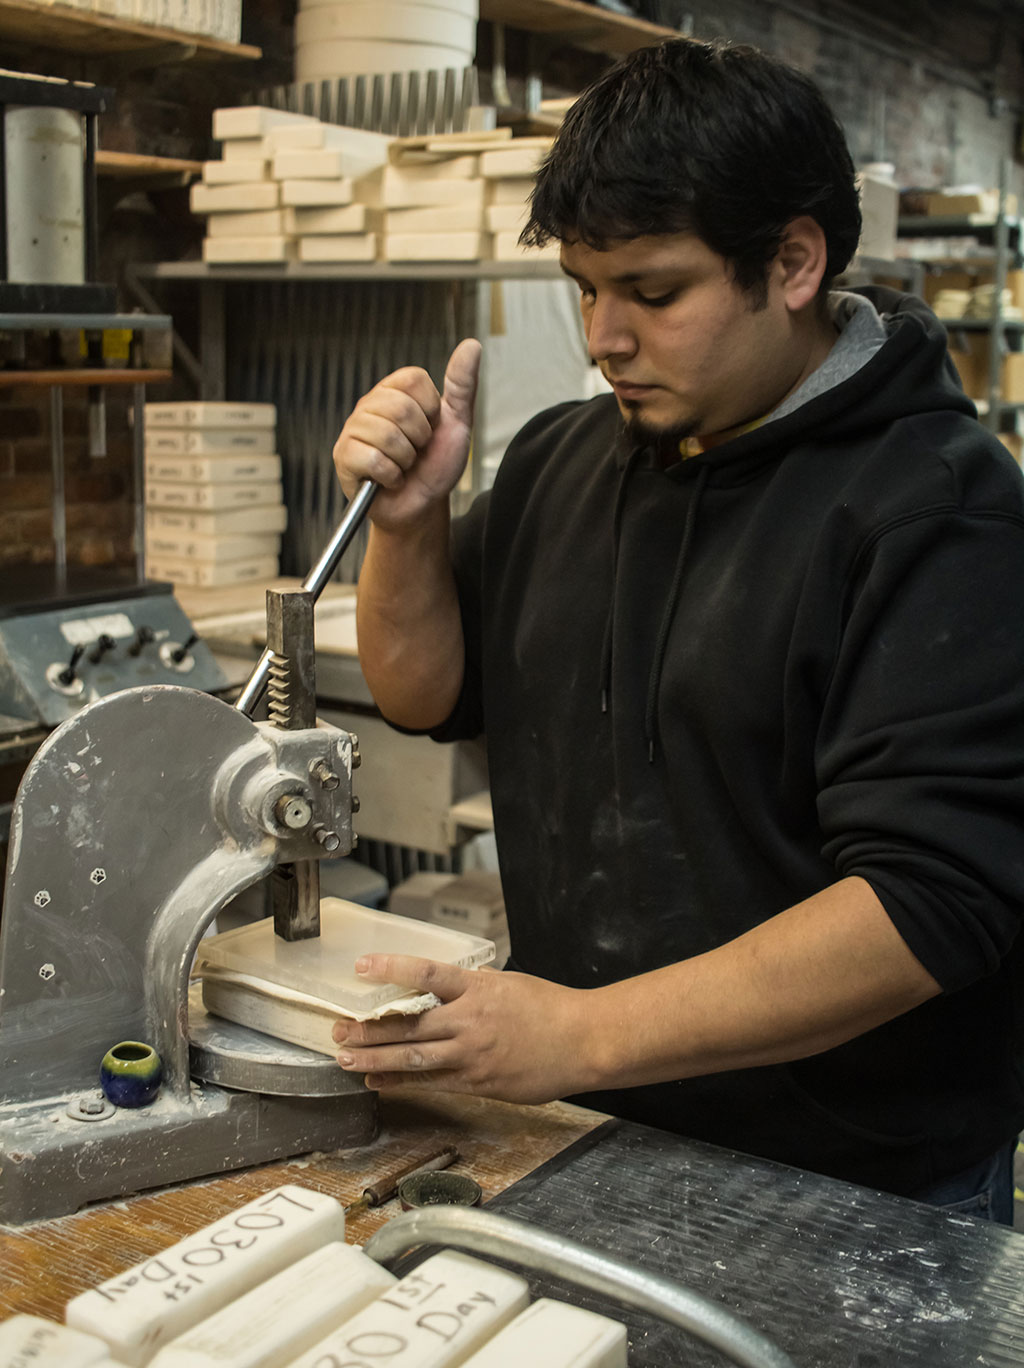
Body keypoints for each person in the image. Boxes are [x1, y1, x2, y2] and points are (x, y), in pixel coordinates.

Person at [331, 38, 1024, 1222]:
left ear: (793, 261)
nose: (604, 335)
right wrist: (407, 521)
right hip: (595, 1126)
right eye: (585, 289)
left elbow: (930, 905)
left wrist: (581, 1033)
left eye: (653, 294)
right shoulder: (564, 455)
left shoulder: (938, 511)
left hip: (857, 1181)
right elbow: (423, 694)